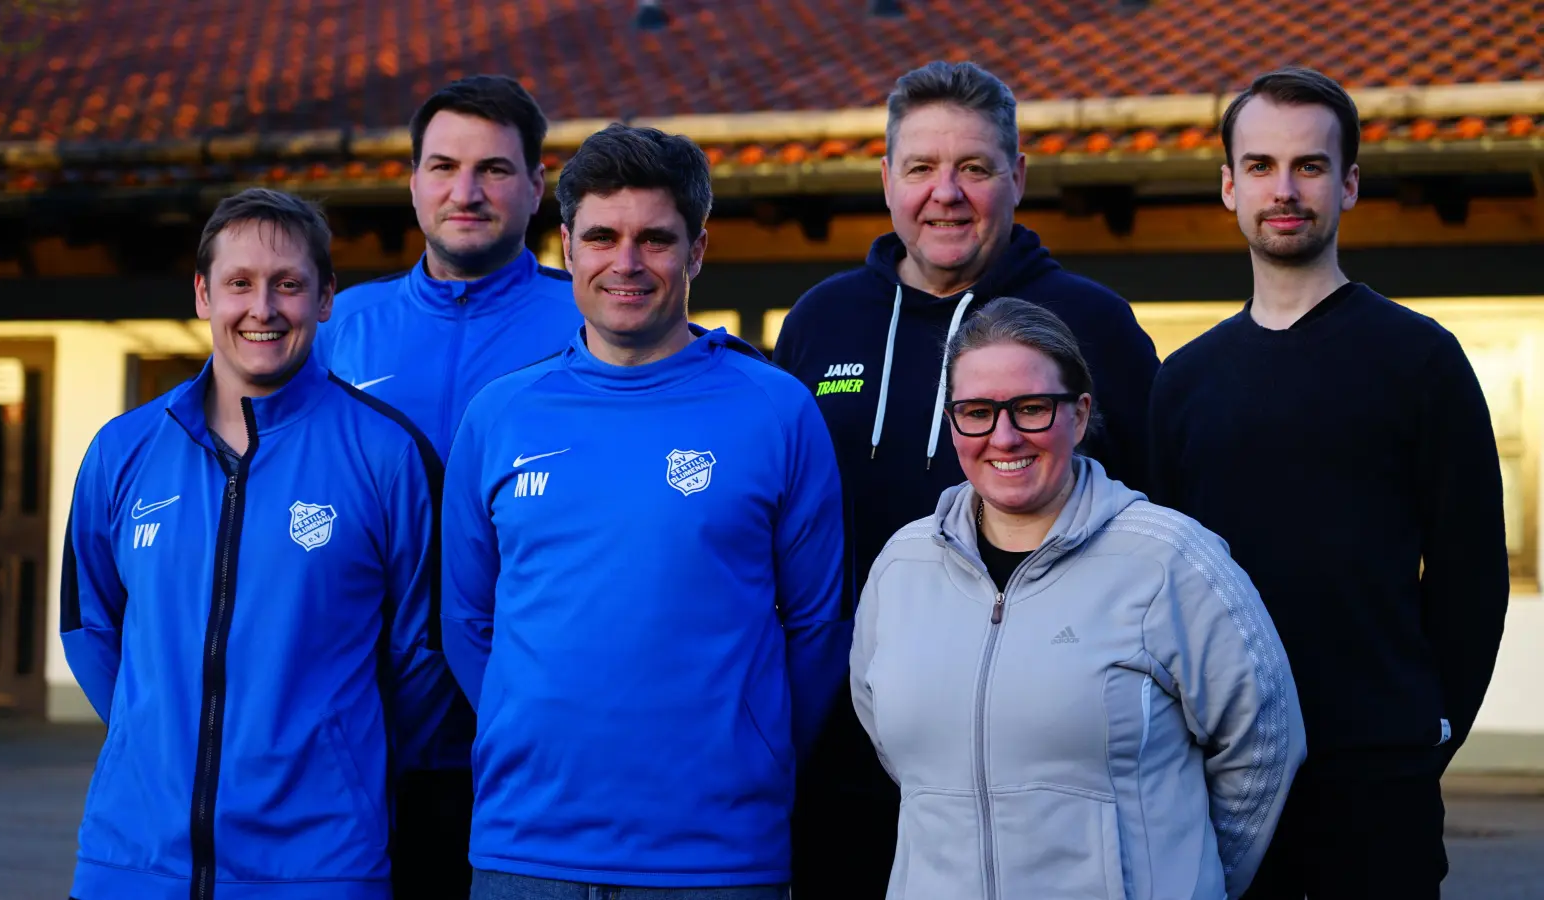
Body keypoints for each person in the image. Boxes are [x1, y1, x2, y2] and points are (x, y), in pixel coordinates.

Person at [769, 59, 1162, 895]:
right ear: (886, 180)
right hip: (835, 751)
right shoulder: (820, 322)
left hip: (1024, 767)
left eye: (975, 168)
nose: (945, 193)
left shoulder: (1093, 325)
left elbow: (1155, 535)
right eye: (920, 168)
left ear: (1017, 177)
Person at [442, 123, 848, 899]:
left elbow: (819, 628)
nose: (625, 264)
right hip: (526, 848)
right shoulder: (500, 415)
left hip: (718, 857)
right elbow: (466, 621)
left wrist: (746, 756)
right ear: (566, 247)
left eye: (655, 239)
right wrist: (534, 730)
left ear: (697, 250)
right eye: (601, 236)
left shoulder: (777, 410)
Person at [1149, 67, 1510, 899]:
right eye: (1264, 166)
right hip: (1224, 773)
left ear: (1348, 183)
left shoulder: (1420, 360)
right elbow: (1159, 583)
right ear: (1229, 186)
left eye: (1310, 166)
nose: (1286, 189)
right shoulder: (1185, 382)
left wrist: (1429, 730)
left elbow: (1471, 573)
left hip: (1379, 773)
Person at [59, 188, 450, 900]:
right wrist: (155, 740)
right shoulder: (122, 451)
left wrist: (335, 758)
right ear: (204, 295)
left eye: (289, 284)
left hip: (321, 865)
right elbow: (90, 626)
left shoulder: (388, 455)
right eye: (239, 283)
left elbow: (423, 655)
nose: (262, 309)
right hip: (133, 860)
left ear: (327, 298)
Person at [852, 296, 1304, 900]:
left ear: (1080, 412)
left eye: (1033, 409)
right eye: (977, 412)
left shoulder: (1169, 560)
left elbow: (1265, 743)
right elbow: (889, 737)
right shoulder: (902, 567)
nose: (1004, 437)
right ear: (952, 420)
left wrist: (1183, 876)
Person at [315, 75, 583, 897]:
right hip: (353, 731)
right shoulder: (338, 328)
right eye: (443, 166)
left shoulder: (591, 319)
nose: (465, 192)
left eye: (495, 170)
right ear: (413, 182)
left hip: (537, 729)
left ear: (539, 186)